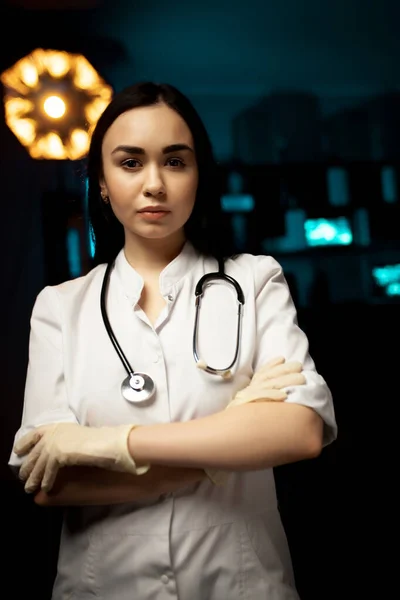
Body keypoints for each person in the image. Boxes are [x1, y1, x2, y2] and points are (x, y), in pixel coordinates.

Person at [9, 81, 337, 600]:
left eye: (176, 162)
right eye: (131, 162)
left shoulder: (254, 281)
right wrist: (228, 438)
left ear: (198, 175)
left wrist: (110, 444)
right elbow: (50, 483)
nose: (155, 184)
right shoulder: (60, 308)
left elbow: (299, 431)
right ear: (101, 180)